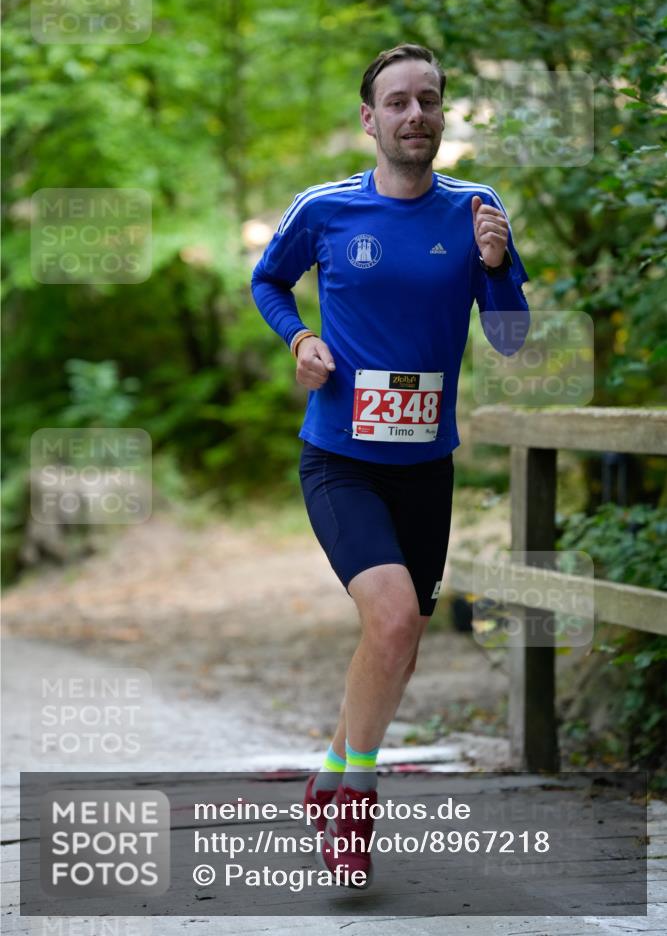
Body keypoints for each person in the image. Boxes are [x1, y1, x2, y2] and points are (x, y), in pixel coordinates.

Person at [251, 43, 530, 887]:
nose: (416, 116)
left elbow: (511, 341)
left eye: (430, 101)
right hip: (340, 459)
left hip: (425, 467)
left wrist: (499, 265)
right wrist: (299, 338)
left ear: (443, 114)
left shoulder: (475, 212)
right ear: (370, 120)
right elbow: (268, 282)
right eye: (398, 103)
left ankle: (331, 770)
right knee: (396, 620)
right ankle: (354, 804)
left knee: (396, 643)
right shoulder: (325, 209)